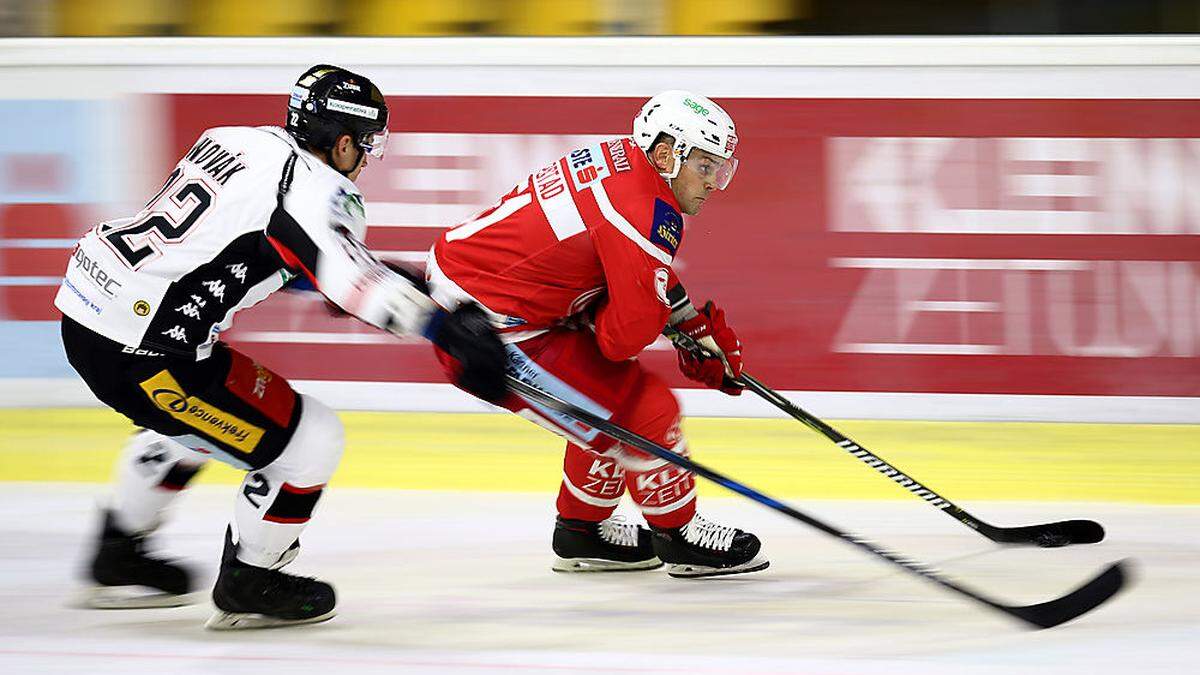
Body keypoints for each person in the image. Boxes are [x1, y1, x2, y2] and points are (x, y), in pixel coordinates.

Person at [54, 64, 506, 629]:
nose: (366, 161)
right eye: (365, 147)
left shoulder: (232, 138)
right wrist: (445, 330)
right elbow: (350, 282)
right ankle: (252, 579)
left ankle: (117, 554)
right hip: (144, 351)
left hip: (90, 307)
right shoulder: (322, 191)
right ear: (343, 142)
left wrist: (344, 271)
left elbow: (236, 240)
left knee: (193, 425)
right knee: (310, 439)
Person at [427, 90, 768, 578]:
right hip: (489, 329)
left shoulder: (629, 161)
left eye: (722, 168)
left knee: (608, 399)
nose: (715, 182)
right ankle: (679, 533)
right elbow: (620, 339)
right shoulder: (646, 210)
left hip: (481, 300)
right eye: (707, 165)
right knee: (646, 410)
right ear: (668, 153)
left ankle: (582, 532)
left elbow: (622, 261)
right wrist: (681, 336)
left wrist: (690, 325)